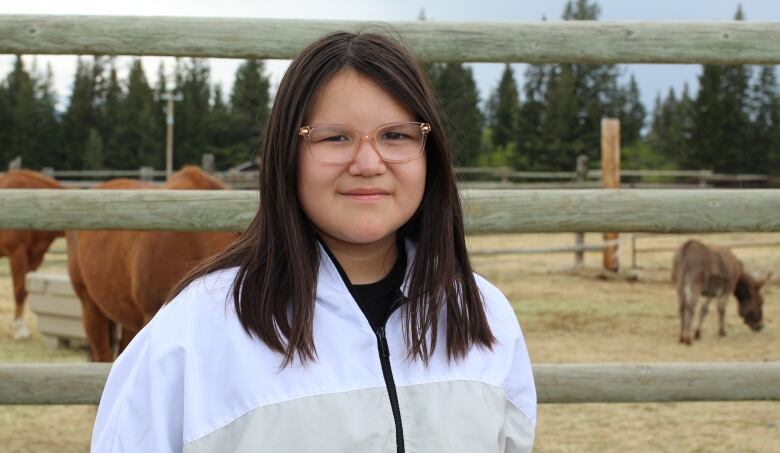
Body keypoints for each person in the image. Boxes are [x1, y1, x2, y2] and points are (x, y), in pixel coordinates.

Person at [91, 29, 536, 453]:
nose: (367, 162)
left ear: (429, 153)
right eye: (335, 137)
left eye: (395, 135)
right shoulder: (196, 332)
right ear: (289, 155)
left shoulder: (484, 316)